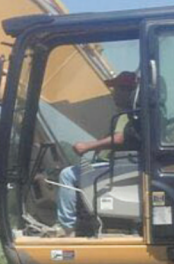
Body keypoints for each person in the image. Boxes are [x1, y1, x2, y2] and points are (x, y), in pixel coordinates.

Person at [54, 70, 139, 236]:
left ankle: (67, 227)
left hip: (121, 167)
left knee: (67, 175)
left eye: (117, 89)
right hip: (125, 164)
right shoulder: (134, 114)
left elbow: (120, 138)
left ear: (129, 91)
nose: (113, 93)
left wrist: (88, 146)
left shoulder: (128, 115)